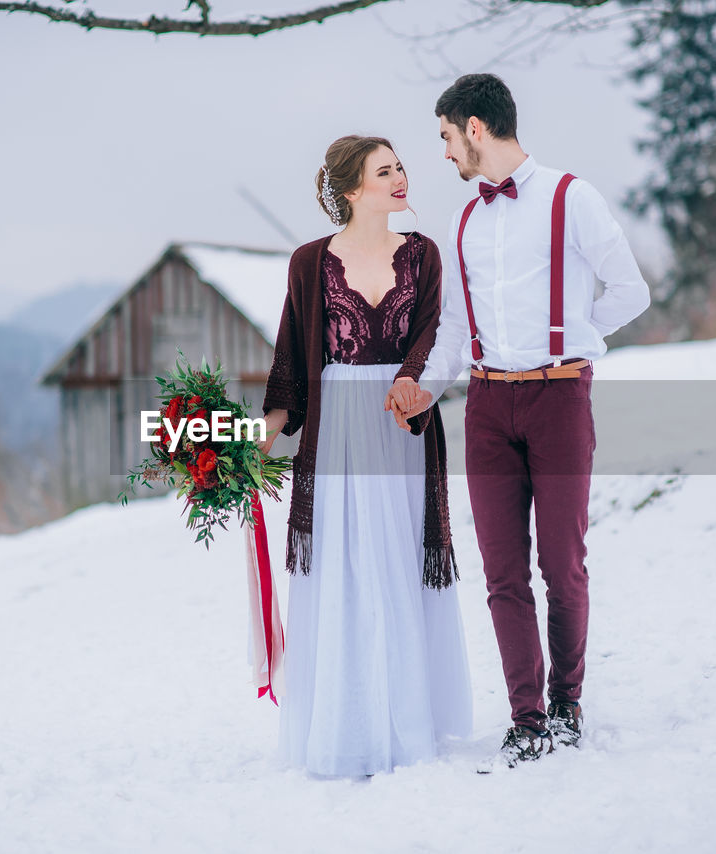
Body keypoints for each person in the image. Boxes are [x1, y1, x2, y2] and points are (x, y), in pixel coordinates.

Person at [389, 74, 651, 767]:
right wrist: (421, 385)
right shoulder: (465, 220)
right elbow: (453, 328)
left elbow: (631, 290)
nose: (443, 153)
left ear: (476, 128)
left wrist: (573, 339)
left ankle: (567, 703)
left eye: (446, 136)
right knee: (503, 572)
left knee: (563, 566)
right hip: (485, 405)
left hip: (560, 401)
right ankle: (526, 718)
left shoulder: (572, 197)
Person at [259, 135, 472, 777]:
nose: (403, 177)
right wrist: (260, 434)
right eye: (386, 171)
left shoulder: (425, 255)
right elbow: (291, 364)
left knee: (398, 568)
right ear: (352, 190)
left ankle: (406, 729)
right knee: (345, 575)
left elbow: (437, 332)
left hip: (403, 428)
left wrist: (415, 386)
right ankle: (343, 731)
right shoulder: (309, 263)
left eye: (402, 166)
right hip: (338, 436)